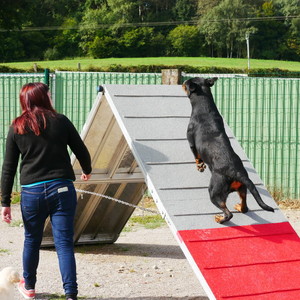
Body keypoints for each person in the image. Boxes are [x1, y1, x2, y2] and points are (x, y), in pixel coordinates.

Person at [0, 82, 92, 300]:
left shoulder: (17, 127)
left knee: (32, 239)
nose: (51, 96)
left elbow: (9, 167)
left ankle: (29, 287)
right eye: (48, 94)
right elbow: (81, 149)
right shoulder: (61, 121)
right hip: (61, 189)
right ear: (42, 98)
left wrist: (5, 202)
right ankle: (71, 294)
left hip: (32, 193)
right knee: (64, 243)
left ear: (25, 101)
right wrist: (86, 170)